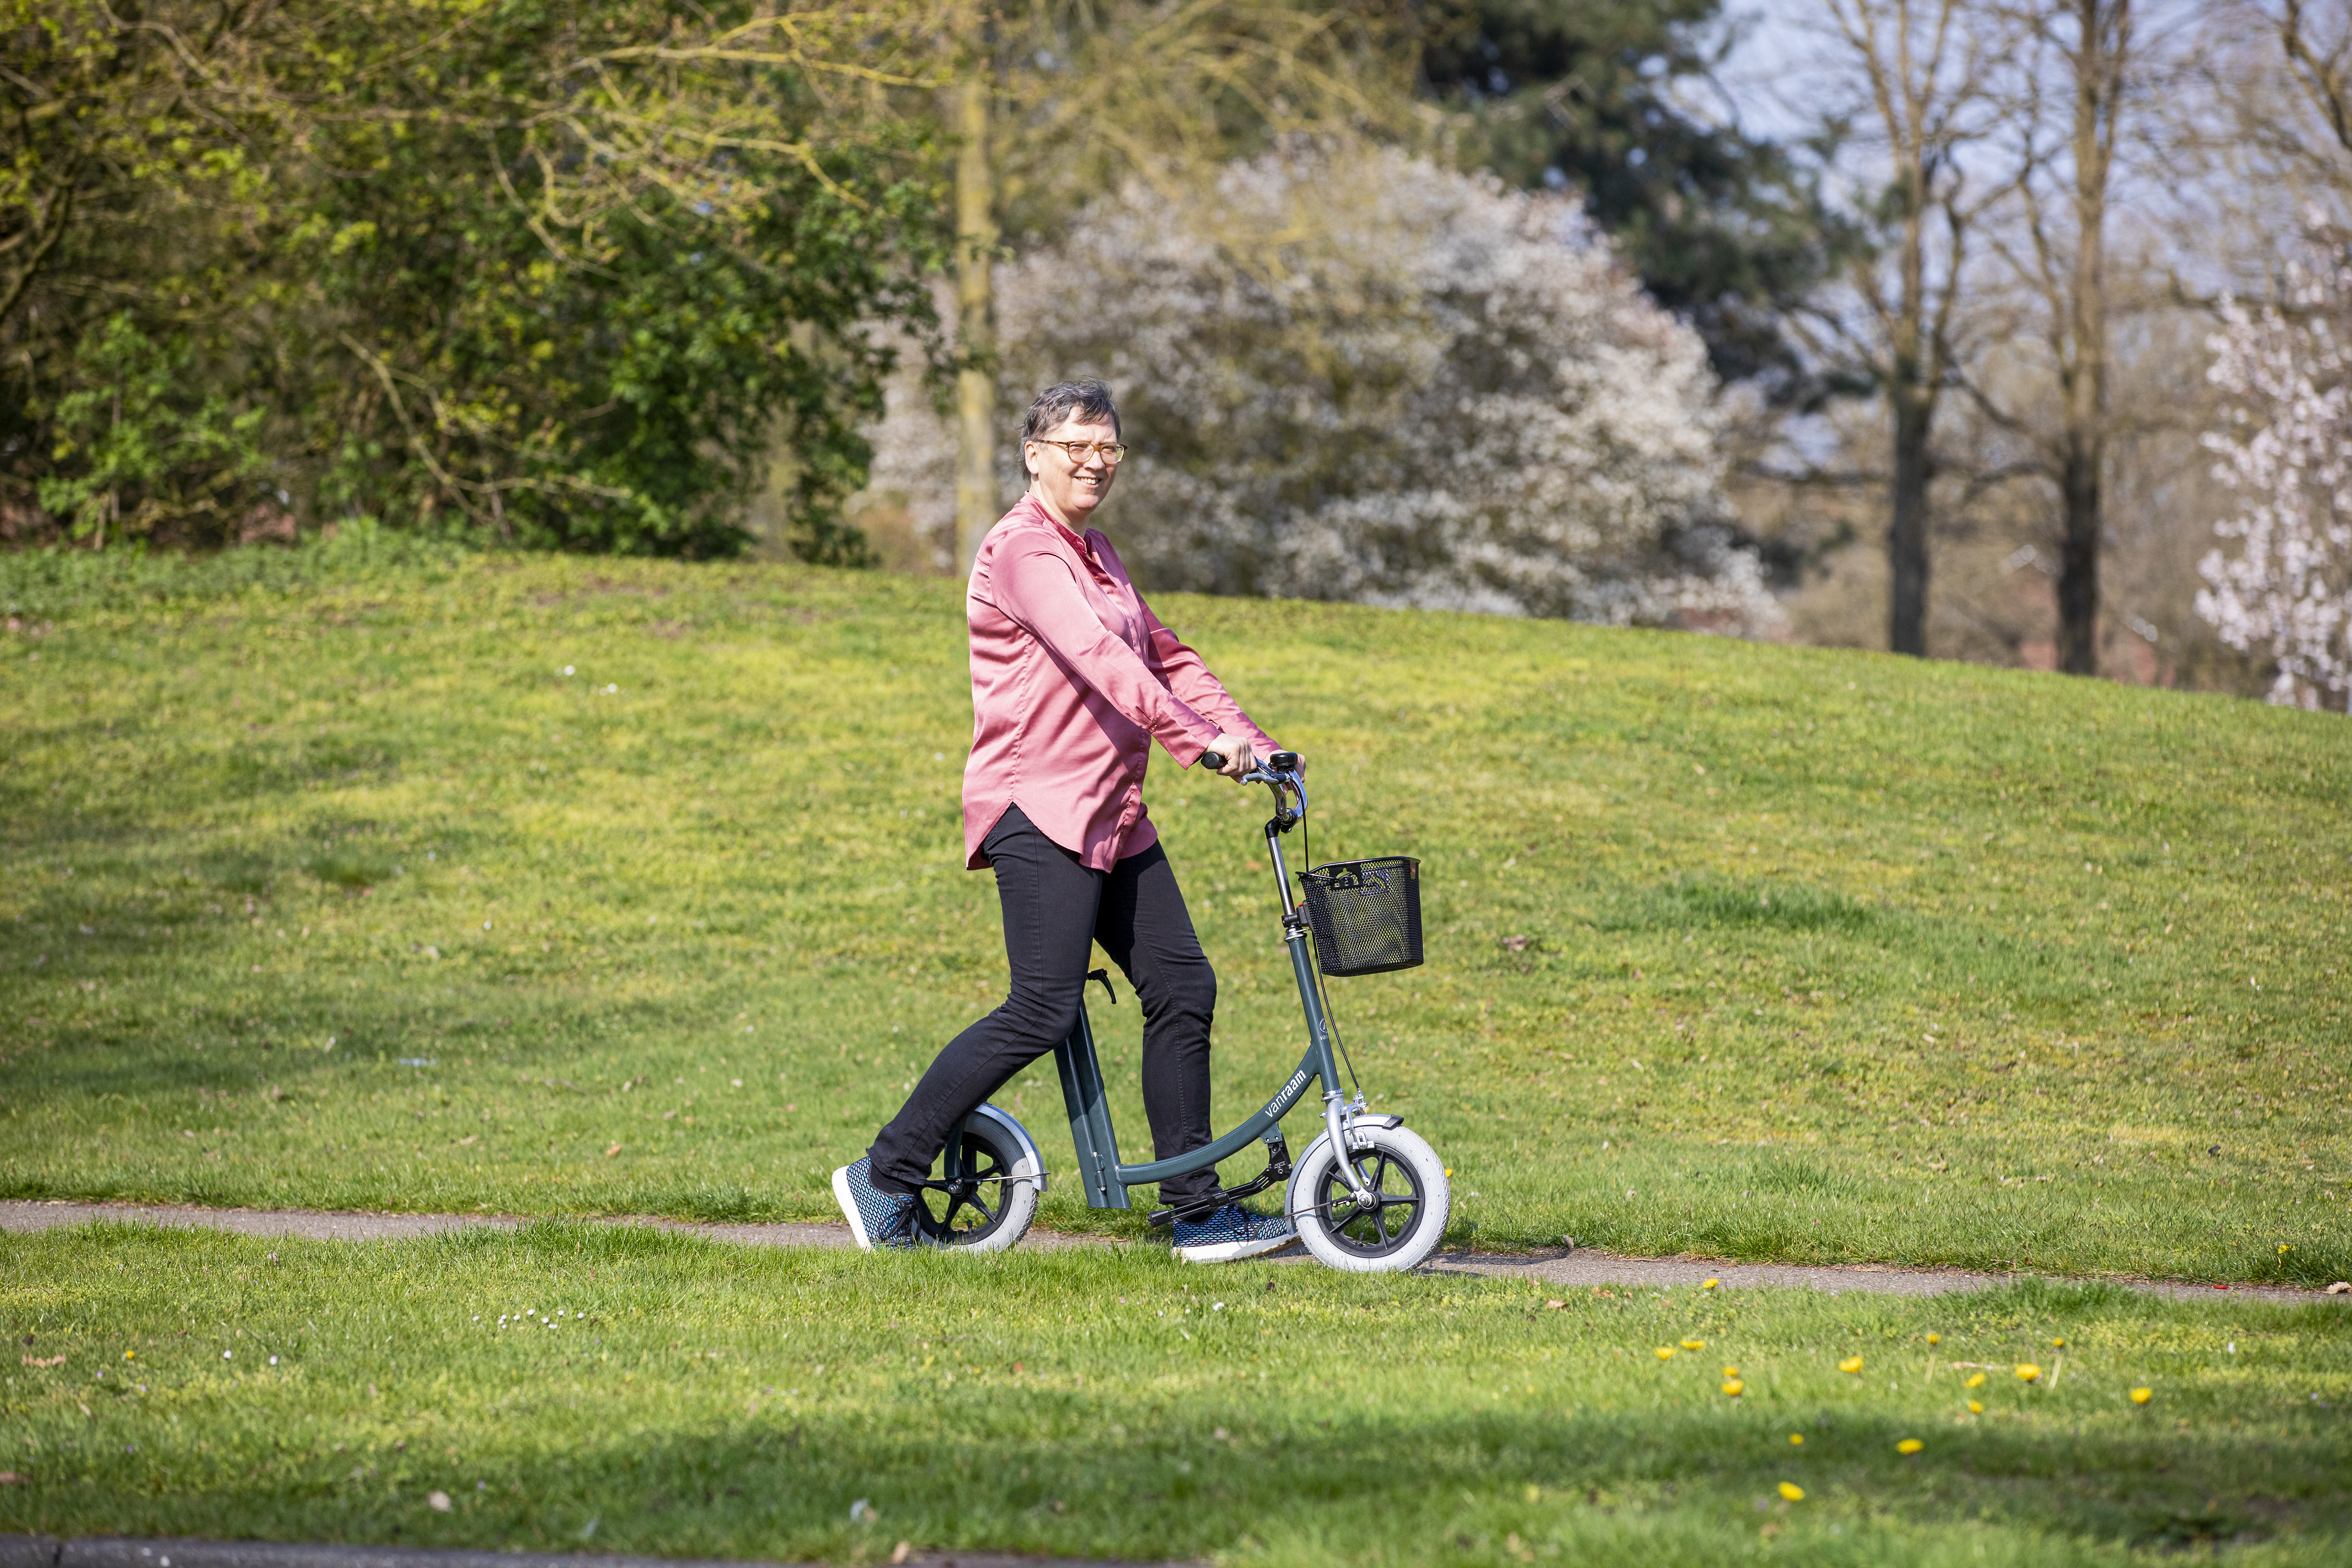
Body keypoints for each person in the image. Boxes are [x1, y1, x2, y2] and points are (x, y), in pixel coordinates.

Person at [833, 378, 1299, 1263]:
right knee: (1042, 1006)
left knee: (1183, 987)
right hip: (1037, 805)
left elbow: (1168, 656)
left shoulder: (1099, 553)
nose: (1096, 461)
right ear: (1034, 453)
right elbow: (1093, 656)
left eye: (1110, 448)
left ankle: (1195, 1213)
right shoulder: (1022, 552)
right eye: (1078, 445)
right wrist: (1192, 743)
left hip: (1113, 812)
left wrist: (1254, 741)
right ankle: (886, 1173)